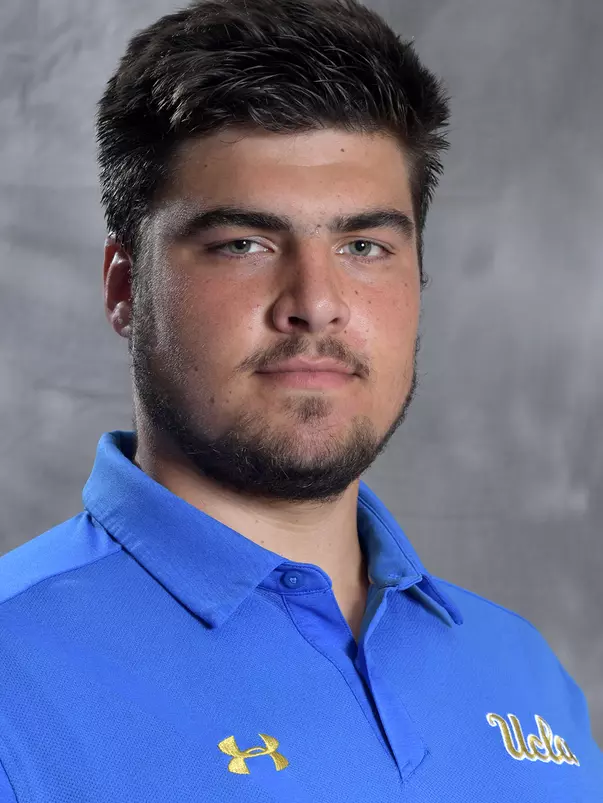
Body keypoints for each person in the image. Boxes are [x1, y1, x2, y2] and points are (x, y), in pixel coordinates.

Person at [0, 0, 601, 800]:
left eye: (363, 246)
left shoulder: (526, 674)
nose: (316, 301)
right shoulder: (17, 675)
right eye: (242, 243)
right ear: (124, 288)